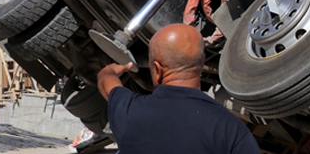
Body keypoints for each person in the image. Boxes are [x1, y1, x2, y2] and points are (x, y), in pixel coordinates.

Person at [97, 24, 260, 154]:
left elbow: (106, 82)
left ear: (157, 69)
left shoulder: (129, 110)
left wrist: (111, 70)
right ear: (202, 62)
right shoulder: (230, 129)